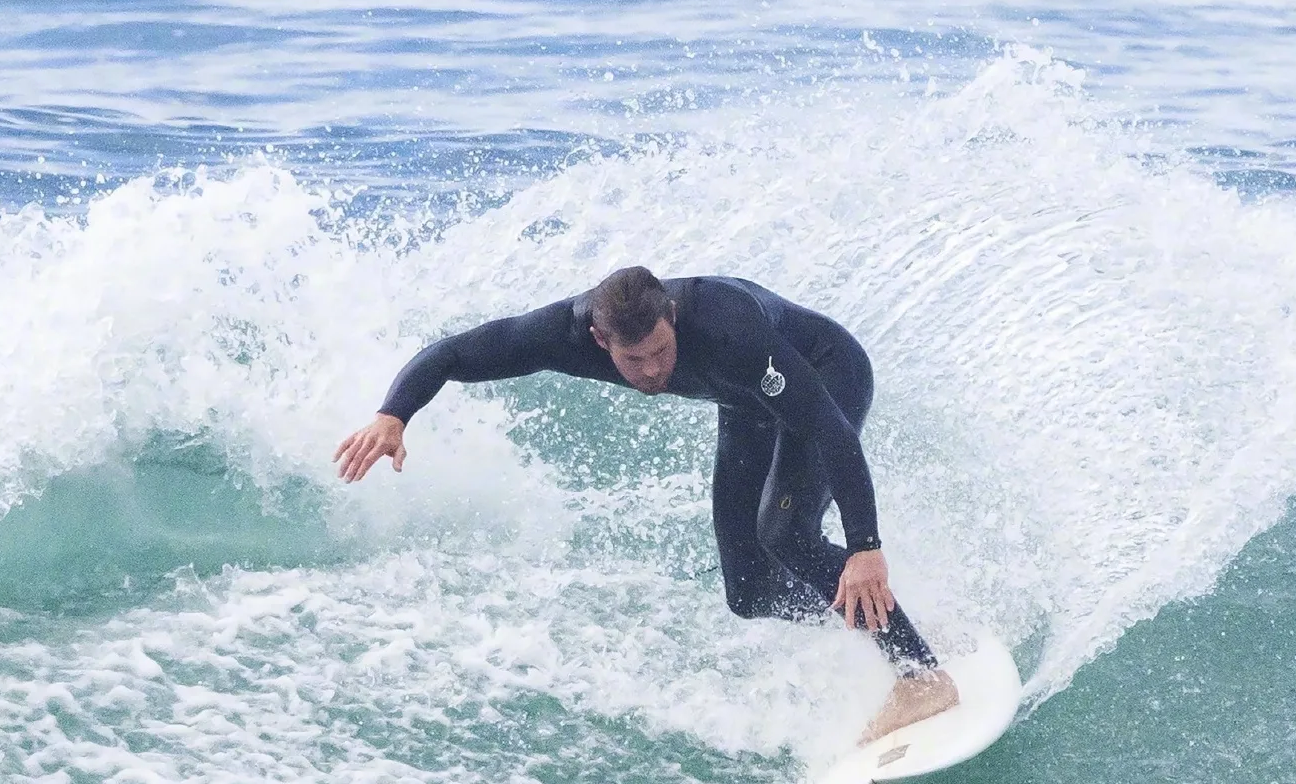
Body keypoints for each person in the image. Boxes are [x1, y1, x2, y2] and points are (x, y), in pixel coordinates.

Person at [334, 266, 959, 741]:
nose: (654, 370)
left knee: (786, 533)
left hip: (823, 379)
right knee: (749, 592)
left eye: (662, 350)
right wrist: (394, 414)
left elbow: (827, 427)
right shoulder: (566, 334)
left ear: (674, 320)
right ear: (601, 340)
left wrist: (865, 548)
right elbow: (457, 353)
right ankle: (890, 619)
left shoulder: (727, 325)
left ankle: (920, 673)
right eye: (635, 360)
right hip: (745, 405)